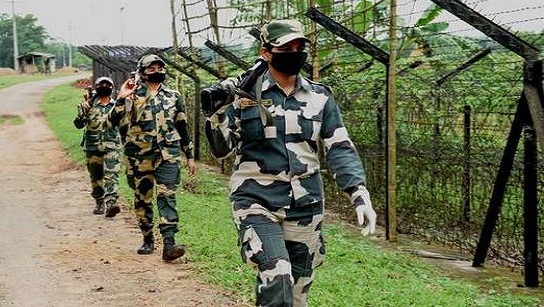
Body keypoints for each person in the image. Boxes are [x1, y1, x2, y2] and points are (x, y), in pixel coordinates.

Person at [203, 19, 377, 306]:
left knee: (295, 296)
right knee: (276, 273)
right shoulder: (244, 95)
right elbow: (221, 151)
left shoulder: (320, 97)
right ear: (266, 52)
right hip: (255, 199)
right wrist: (215, 115)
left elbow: (339, 147)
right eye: (286, 47)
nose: (295, 52)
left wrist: (358, 192)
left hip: (305, 205)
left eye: (299, 47)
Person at [116, 54, 197, 262]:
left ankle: (169, 244)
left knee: (167, 195)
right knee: (142, 199)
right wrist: (122, 97)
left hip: (168, 155)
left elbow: (182, 126)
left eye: (160, 68)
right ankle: (147, 238)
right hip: (139, 156)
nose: (157, 72)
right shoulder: (133, 95)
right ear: (142, 73)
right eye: (151, 69)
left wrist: (190, 155)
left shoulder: (173, 96)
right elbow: (112, 121)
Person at [73, 76, 123, 218]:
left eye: (108, 85)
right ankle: (99, 201)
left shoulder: (116, 106)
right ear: (96, 87)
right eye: (101, 85)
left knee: (111, 174)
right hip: (92, 146)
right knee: (96, 177)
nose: (105, 87)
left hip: (112, 146)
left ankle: (111, 204)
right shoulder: (88, 105)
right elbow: (78, 125)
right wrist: (83, 110)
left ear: (112, 89)